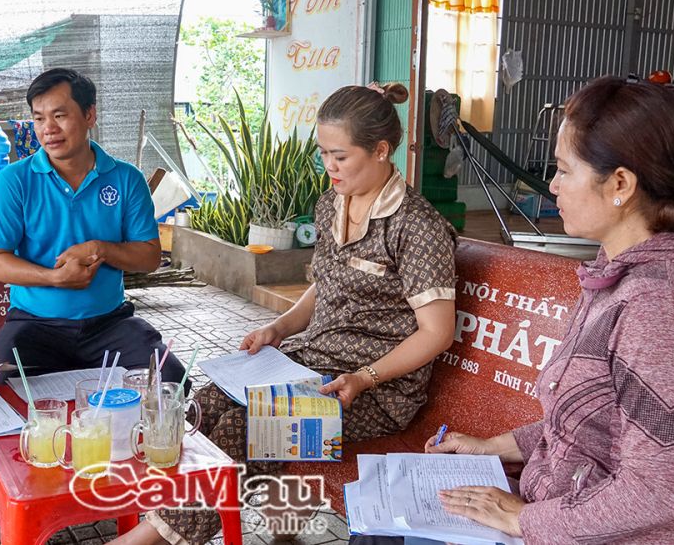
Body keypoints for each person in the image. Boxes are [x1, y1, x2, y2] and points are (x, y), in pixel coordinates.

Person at [113, 82, 458, 545]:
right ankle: (183, 524)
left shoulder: (417, 227)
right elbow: (325, 285)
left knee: (248, 425)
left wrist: (364, 378)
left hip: (373, 390)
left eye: (340, 156)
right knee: (208, 404)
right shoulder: (332, 203)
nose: (329, 167)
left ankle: (145, 541)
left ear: (380, 150)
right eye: (323, 154)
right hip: (310, 363)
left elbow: (437, 333)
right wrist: (277, 327)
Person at [425, 76, 674, 544]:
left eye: (564, 170)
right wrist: (491, 447)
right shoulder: (614, 272)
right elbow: (590, 422)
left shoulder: (658, 307)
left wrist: (520, 520)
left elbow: (656, 492)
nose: (551, 185)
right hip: (553, 506)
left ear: (620, 184)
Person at [0, 68, 188, 387]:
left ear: (90, 114)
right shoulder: (14, 181)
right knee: (6, 383)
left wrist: (99, 248)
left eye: (60, 115)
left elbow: (149, 257)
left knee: (169, 378)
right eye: (39, 118)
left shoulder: (126, 179)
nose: (48, 129)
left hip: (108, 325)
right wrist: (54, 277)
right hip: (35, 326)